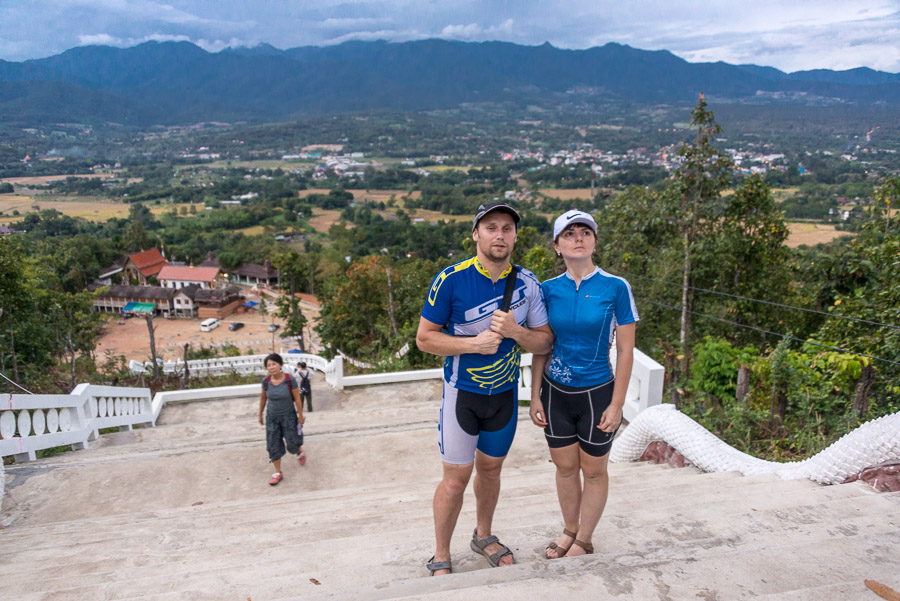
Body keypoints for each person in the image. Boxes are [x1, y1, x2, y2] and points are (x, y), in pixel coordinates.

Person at [416, 201, 554, 576]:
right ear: (476, 234)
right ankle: (440, 553)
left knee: (491, 471)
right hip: (462, 395)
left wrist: (516, 332)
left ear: (514, 236)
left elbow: (543, 343)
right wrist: (472, 345)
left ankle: (483, 535)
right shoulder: (451, 279)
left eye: (507, 228)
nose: (500, 235)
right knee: (456, 479)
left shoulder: (528, 283)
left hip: (505, 397)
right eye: (491, 227)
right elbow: (425, 339)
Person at [529, 209, 638, 559]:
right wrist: (534, 396)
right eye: (569, 233)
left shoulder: (616, 287)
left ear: (594, 241)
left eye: (585, 232)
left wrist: (617, 403)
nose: (578, 238)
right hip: (555, 394)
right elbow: (542, 346)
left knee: (593, 470)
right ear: (557, 246)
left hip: (597, 393)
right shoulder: (546, 290)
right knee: (564, 468)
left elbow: (624, 349)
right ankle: (569, 530)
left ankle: (585, 539)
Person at [258, 352, 307, 485]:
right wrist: (260, 414)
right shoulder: (266, 381)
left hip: (289, 416)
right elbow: (263, 398)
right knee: (273, 445)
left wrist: (300, 416)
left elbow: (297, 398)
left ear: (280, 365)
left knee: (292, 442)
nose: (271, 367)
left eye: (274, 364)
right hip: (272, 418)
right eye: (268, 365)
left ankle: (297, 450)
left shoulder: (289, 379)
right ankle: (277, 472)